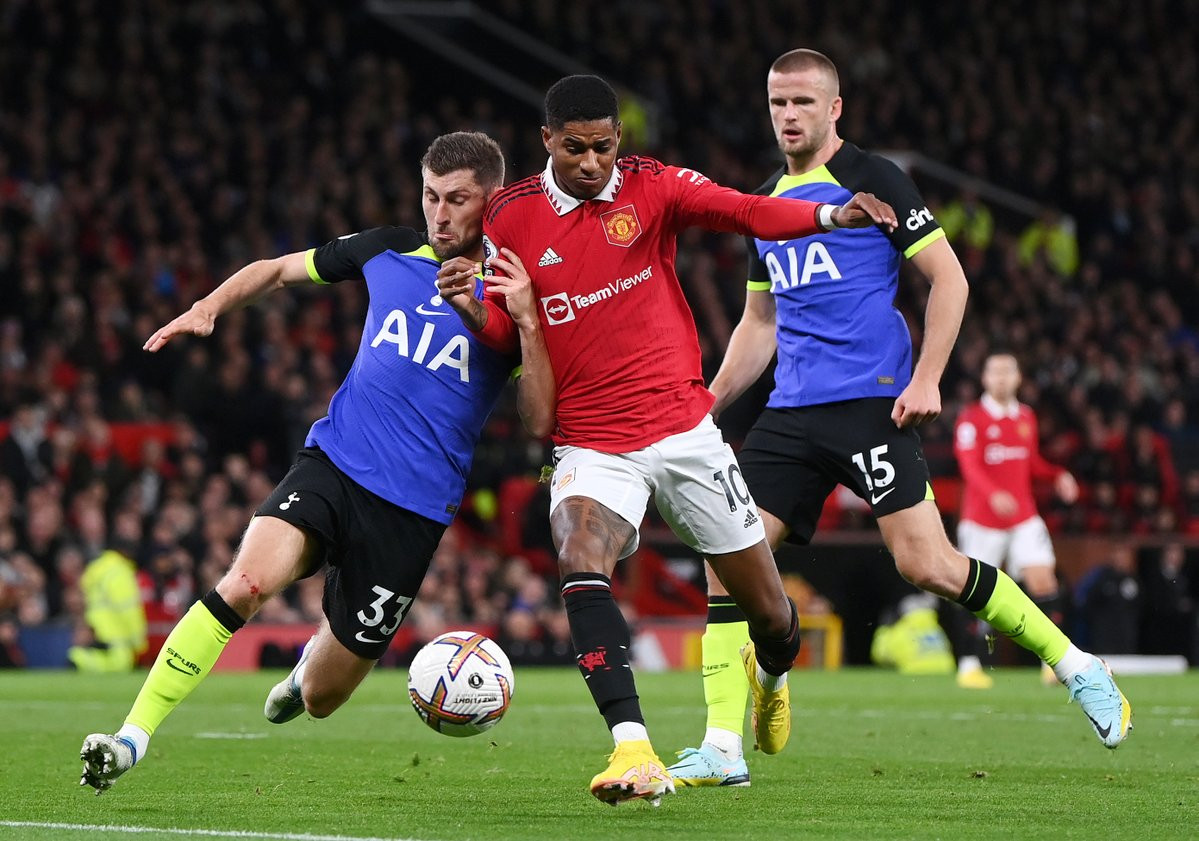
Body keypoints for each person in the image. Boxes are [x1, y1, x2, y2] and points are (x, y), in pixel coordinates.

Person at [667, 48, 1131, 789]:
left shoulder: (874, 179)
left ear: (833, 108)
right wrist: (706, 403)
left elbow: (949, 277)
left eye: (802, 102)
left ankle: (1077, 666)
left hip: (870, 403)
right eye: (778, 102)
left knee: (927, 564)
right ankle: (723, 745)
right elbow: (760, 323)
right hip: (789, 412)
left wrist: (927, 377)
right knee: (726, 560)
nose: (788, 115)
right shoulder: (765, 203)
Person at [436, 73, 898, 806]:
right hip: (592, 442)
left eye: (604, 146)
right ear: (547, 140)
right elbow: (507, 334)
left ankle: (771, 674)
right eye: (576, 148)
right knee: (578, 551)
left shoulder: (653, 187)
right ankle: (633, 747)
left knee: (773, 618)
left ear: (619, 138)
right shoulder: (511, 216)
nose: (592, 163)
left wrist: (828, 216)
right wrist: (475, 310)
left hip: (685, 432)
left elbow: (745, 209)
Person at [78, 132, 555, 792]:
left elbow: (538, 418)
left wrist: (527, 324)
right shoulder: (389, 249)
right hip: (333, 464)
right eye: (430, 196)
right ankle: (131, 738)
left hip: (411, 512)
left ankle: (307, 667)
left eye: (456, 199)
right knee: (245, 582)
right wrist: (208, 306)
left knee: (325, 697)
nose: (439, 214)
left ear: (492, 199)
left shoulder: (513, 290)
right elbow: (277, 269)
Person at [952, 351, 1079, 688]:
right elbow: (969, 466)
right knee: (975, 592)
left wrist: (1057, 475)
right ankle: (969, 664)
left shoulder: (1026, 416)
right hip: (981, 520)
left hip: (1023, 516)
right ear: (984, 378)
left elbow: (1030, 462)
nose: (1002, 377)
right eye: (995, 371)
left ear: (1019, 377)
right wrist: (992, 493)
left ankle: (1052, 662)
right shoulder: (971, 419)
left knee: (1044, 582)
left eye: (1008, 371)